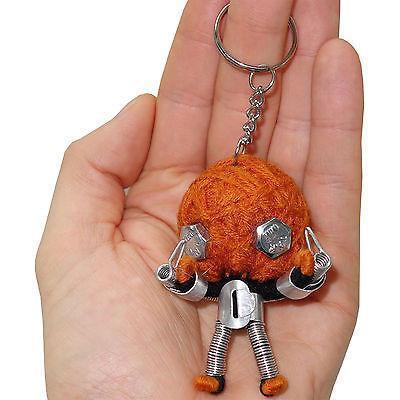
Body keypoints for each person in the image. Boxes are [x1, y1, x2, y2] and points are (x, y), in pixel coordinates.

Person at [36, 0, 363, 398]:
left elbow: (281, 288)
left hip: (255, 284)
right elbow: (203, 290)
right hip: (217, 304)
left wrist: (305, 274)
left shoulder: (261, 271)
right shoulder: (214, 266)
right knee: (221, 339)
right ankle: (217, 375)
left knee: (258, 337)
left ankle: (266, 376)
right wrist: (179, 278)